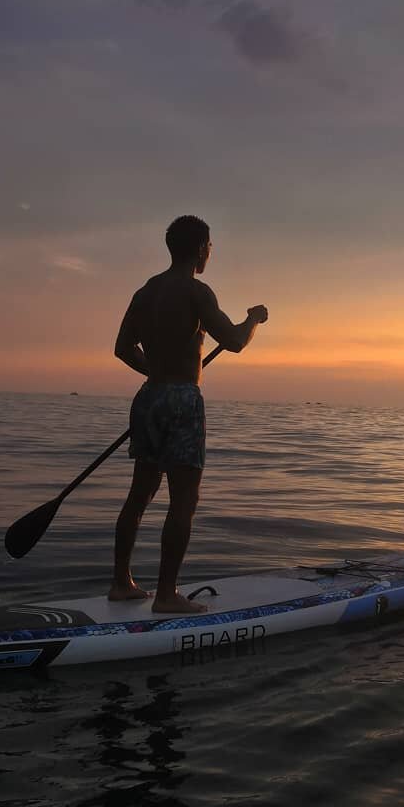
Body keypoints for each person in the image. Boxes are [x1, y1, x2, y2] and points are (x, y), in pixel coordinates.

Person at [108, 215, 268, 613]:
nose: (210, 254)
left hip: (149, 398)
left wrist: (158, 374)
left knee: (139, 494)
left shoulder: (145, 292)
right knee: (184, 500)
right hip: (182, 401)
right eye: (210, 247)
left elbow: (123, 348)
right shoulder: (196, 291)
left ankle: (121, 583)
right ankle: (166, 595)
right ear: (200, 249)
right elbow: (232, 341)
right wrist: (254, 319)